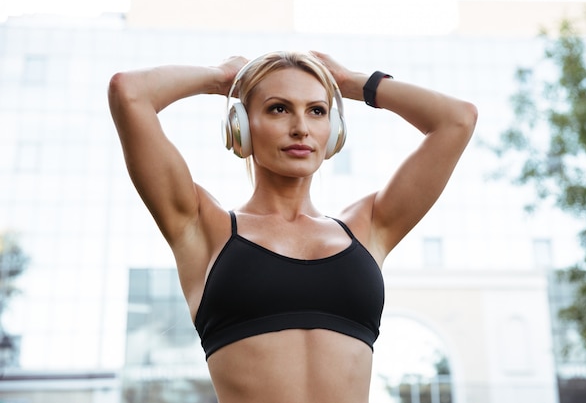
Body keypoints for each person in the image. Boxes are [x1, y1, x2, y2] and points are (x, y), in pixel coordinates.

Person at [108, 50, 477, 403]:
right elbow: (129, 92)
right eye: (279, 109)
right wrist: (221, 78)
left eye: (317, 111)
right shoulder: (202, 225)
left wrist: (352, 83)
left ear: (334, 132)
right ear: (241, 126)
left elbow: (457, 119)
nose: (301, 128)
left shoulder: (369, 226)